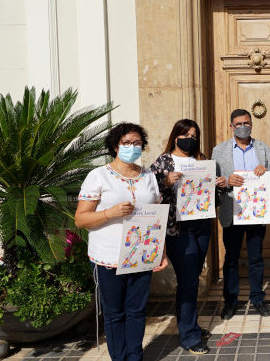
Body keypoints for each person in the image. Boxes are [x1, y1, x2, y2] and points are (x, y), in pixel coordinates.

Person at [75, 123, 167, 361]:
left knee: (136, 311)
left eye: (137, 143)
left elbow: (155, 215)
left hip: (141, 255)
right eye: (126, 142)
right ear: (115, 146)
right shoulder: (98, 176)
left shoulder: (148, 175)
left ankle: (135, 356)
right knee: (115, 313)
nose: (132, 147)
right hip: (109, 257)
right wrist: (109, 213)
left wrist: (161, 251)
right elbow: (80, 219)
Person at [150, 119, 222, 354]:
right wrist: (165, 182)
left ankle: (190, 324)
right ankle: (189, 338)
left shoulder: (201, 160)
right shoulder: (163, 161)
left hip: (201, 226)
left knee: (192, 278)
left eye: (194, 135)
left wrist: (218, 185)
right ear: (176, 135)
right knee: (188, 281)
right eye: (185, 134)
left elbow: (212, 197)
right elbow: (149, 193)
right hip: (178, 230)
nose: (190, 138)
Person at [212, 109, 270, 319]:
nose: (243, 127)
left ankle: (257, 298)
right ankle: (230, 301)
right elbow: (213, 182)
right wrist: (226, 181)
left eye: (246, 123)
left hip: (256, 213)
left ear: (251, 124)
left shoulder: (262, 148)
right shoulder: (218, 150)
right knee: (231, 258)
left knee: (256, 258)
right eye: (238, 124)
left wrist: (266, 172)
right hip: (231, 211)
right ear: (231, 126)